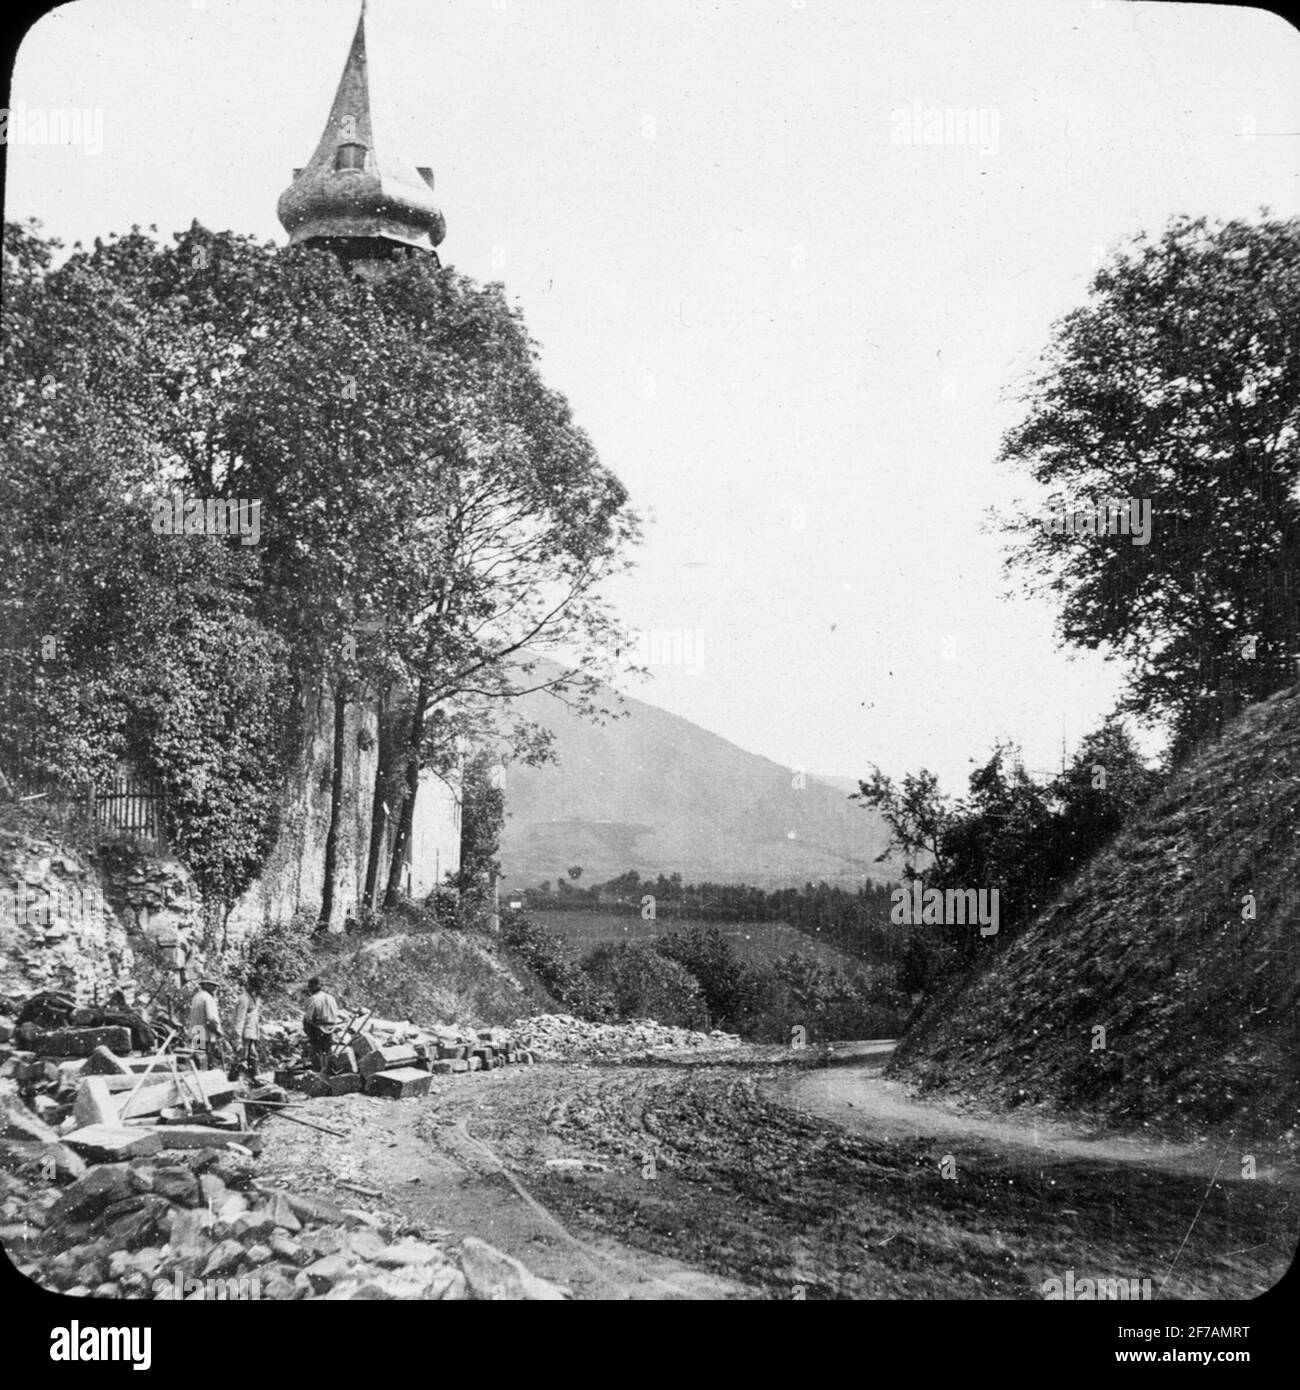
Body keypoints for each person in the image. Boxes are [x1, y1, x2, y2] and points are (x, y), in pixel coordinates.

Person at [302, 976, 340, 1073]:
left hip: (318, 1028)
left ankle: (318, 1071)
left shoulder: (313, 999)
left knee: (317, 1050)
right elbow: (336, 1014)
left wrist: (307, 1030)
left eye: (310, 986)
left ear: (314, 986)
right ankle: (328, 1070)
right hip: (331, 1027)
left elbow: (308, 1018)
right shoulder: (331, 998)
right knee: (327, 1050)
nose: (309, 989)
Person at [187, 977, 226, 1070]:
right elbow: (211, 1019)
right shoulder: (208, 998)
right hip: (206, 1035)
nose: (214, 988)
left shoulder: (197, 996)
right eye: (212, 985)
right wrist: (218, 1032)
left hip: (197, 1032)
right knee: (207, 1060)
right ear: (205, 985)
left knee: (199, 1058)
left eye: (215, 986)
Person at [232, 977, 265, 1081]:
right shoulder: (244, 999)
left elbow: (254, 1017)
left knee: (252, 1056)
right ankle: (234, 1080)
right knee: (242, 1057)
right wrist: (237, 1038)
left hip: (251, 1033)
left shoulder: (254, 998)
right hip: (244, 1033)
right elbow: (239, 1019)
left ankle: (256, 1079)